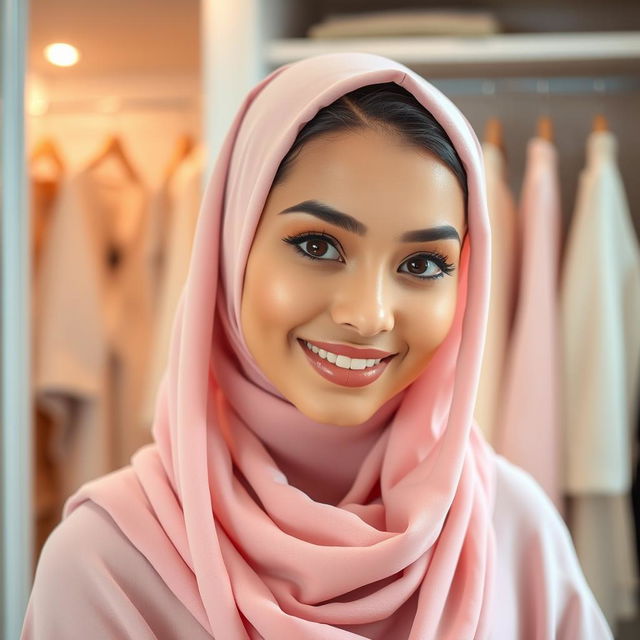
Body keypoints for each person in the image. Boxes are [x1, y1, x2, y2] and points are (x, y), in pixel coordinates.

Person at [21, 53, 612, 639]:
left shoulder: (515, 528)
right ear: (234, 247)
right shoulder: (107, 560)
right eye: (317, 246)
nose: (367, 315)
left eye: (423, 263)